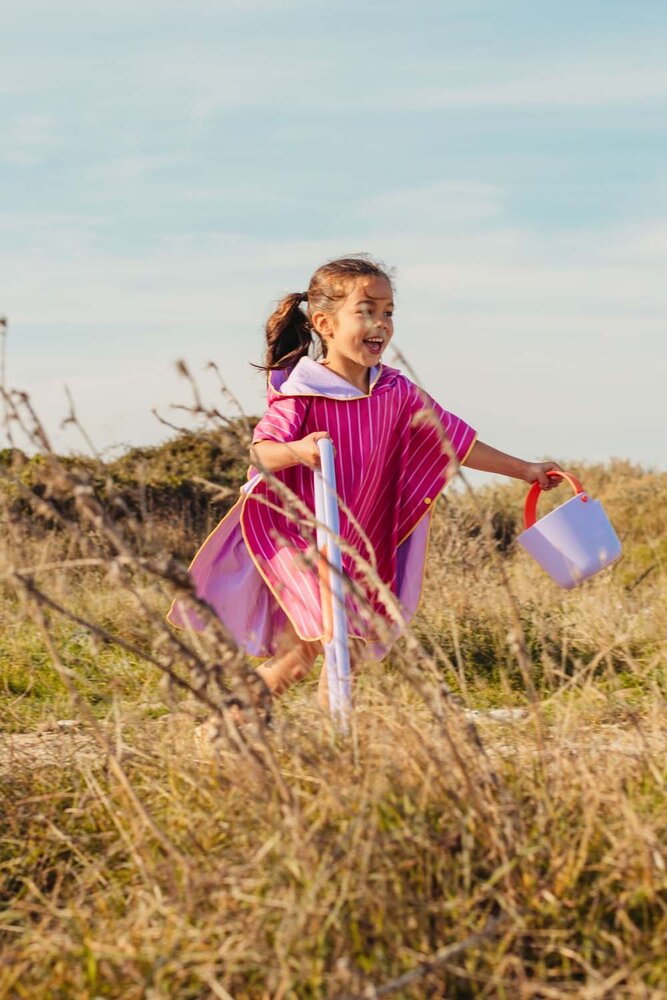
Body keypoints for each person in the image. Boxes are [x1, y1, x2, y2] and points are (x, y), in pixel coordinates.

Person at [168, 255, 560, 711]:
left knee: (305, 657)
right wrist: (299, 450)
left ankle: (230, 724)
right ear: (324, 324)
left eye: (388, 312)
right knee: (337, 645)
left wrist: (525, 470)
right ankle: (335, 742)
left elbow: (455, 441)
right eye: (366, 311)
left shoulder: (397, 392)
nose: (380, 324)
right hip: (302, 540)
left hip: (360, 544)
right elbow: (261, 452)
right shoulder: (303, 391)